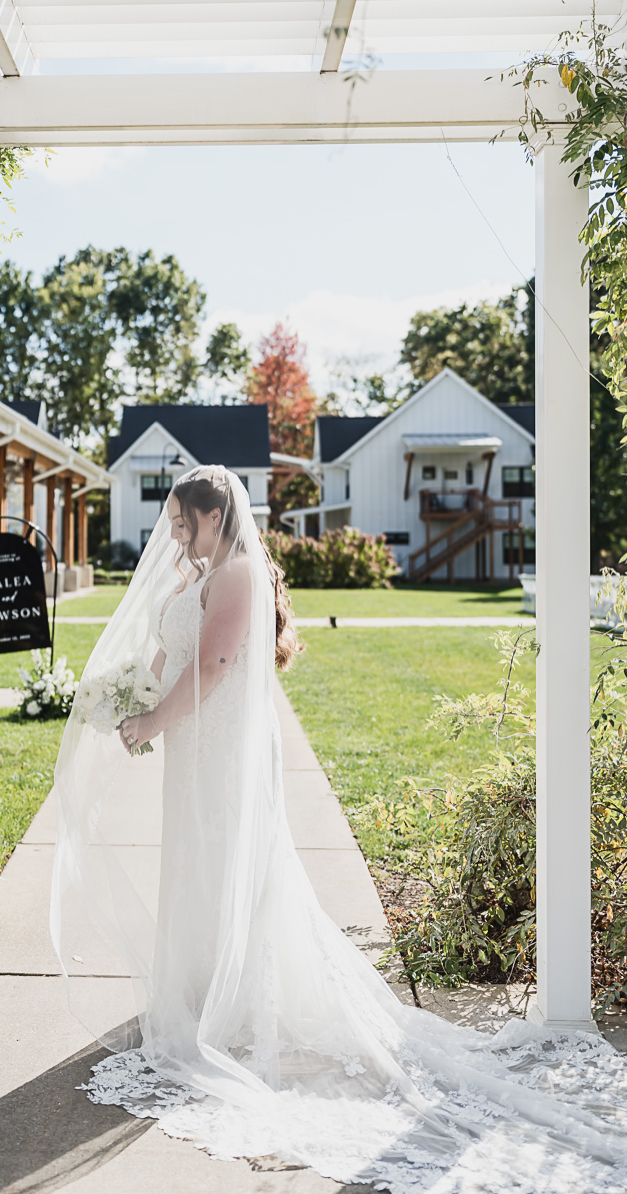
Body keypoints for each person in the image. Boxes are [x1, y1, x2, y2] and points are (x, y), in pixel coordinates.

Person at [51, 466, 627, 1192]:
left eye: (181, 521)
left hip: (217, 750)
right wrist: (133, 690)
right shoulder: (202, 570)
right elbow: (175, 651)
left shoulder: (235, 572)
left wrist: (148, 718)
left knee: (227, 860)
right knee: (198, 862)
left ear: (213, 518)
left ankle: (229, 999)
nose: (171, 531)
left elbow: (218, 664)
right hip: (192, 748)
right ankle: (200, 990)